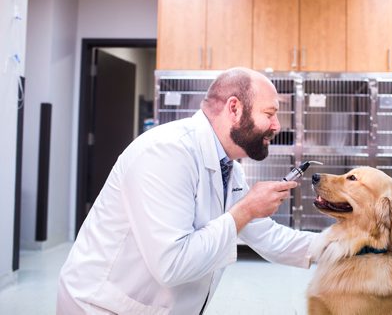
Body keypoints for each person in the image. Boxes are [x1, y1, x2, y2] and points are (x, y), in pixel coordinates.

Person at [57, 67, 320, 314]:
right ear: (234, 108)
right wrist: (246, 209)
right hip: (105, 306)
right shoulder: (165, 152)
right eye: (269, 113)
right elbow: (172, 264)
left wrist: (341, 246)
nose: (277, 125)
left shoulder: (229, 167)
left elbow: (268, 236)